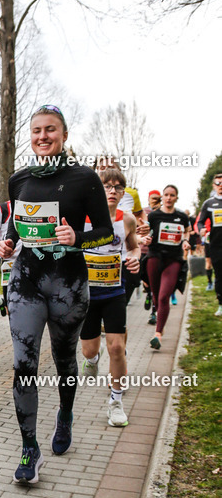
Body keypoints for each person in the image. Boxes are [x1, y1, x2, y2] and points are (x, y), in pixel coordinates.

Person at [0, 105, 112, 484]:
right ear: (30, 136)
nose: (42, 136)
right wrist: (9, 244)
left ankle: (64, 415)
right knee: (24, 363)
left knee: (64, 358)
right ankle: (29, 448)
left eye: (50, 130)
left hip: (68, 284)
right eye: (36, 131)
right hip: (26, 281)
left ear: (63, 134)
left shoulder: (84, 178)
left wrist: (78, 238)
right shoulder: (19, 179)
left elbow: (107, 233)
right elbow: (17, 223)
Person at [80, 167, 141, 427]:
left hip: (115, 291)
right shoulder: (80, 218)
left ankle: (116, 402)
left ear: (123, 192)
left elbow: (134, 247)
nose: (113, 190)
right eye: (107, 186)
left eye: (118, 187)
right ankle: (93, 360)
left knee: (117, 347)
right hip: (87, 294)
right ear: (98, 189)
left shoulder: (127, 220)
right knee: (88, 350)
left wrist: (135, 259)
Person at [145, 183, 191, 348]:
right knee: (157, 296)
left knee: (164, 296)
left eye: (172, 195)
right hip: (154, 258)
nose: (169, 198)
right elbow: (144, 232)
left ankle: (157, 334)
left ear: (176, 198)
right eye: (166, 195)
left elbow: (187, 230)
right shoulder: (153, 216)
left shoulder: (181, 216)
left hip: (173, 260)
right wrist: (146, 238)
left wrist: (185, 241)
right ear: (162, 198)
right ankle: (160, 324)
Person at [197, 173, 222, 315]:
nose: (221, 186)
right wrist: (201, 229)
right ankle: (221, 304)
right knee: (219, 275)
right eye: (218, 183)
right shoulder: (209, 203)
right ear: (214, 186)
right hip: (216, 245)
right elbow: (200, 221)